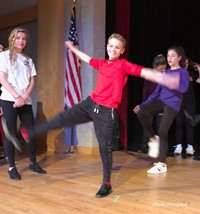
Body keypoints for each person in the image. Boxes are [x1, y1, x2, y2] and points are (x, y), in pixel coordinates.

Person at [11, 33, 179, 197]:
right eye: (111, 46)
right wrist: (72, 48)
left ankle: (107, 183)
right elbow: (86, 58)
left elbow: (143, 71)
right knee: (63, 118)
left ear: (122, 50)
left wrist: (164, 79)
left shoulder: (123, 65)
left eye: (117, 47)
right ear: (107, 47)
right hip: (90, 104)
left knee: (104, 148)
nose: (113, 49)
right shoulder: (102, 63)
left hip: (107, 112)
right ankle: (29, 133)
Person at [133, 46, 189, 174]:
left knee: (163, 129)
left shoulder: (183, 72)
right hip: (161, 101)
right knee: (141, 113)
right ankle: (153, 139)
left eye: (172, 56)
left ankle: (162, 164)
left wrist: (173, 84)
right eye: (168, 56)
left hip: (173, 104)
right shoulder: (165, 73)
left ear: (179, 58)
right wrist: (142, 105)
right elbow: (155, 93)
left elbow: (184, 89)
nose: (169, 58)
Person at [0, 27, 47, 180]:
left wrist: (25, 96)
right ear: (12, 39)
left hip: (25, 100)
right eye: (18, 38)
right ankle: (12, 167)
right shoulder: (4, 56)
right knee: (11, 133)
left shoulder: (28, 60)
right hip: (9, 99)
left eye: (24, 39)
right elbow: (2, 79)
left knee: (30, 132)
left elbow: (32, 80)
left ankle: (33, 163)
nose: (21, 41)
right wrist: (16, 97)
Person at [139, 54, 167, 153]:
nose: (163, 71)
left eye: (164, 68)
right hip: (150, 104)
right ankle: (145, 145)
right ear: (155, 68)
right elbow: (145, 91)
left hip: (161, 104)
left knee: (161, 126)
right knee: (147, 124)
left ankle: (161, 148)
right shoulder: (149, 76)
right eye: (160, 69)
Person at [174, 58, 200, 155]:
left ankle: (190, 146)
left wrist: (199, 69)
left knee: (190, 124)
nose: (186, 64)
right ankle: (178, 146)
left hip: (190, 103)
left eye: (187, 63)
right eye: (185, 62)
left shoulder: (191, 74)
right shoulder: (176, 73)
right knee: (179, 123)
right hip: (179, 102)